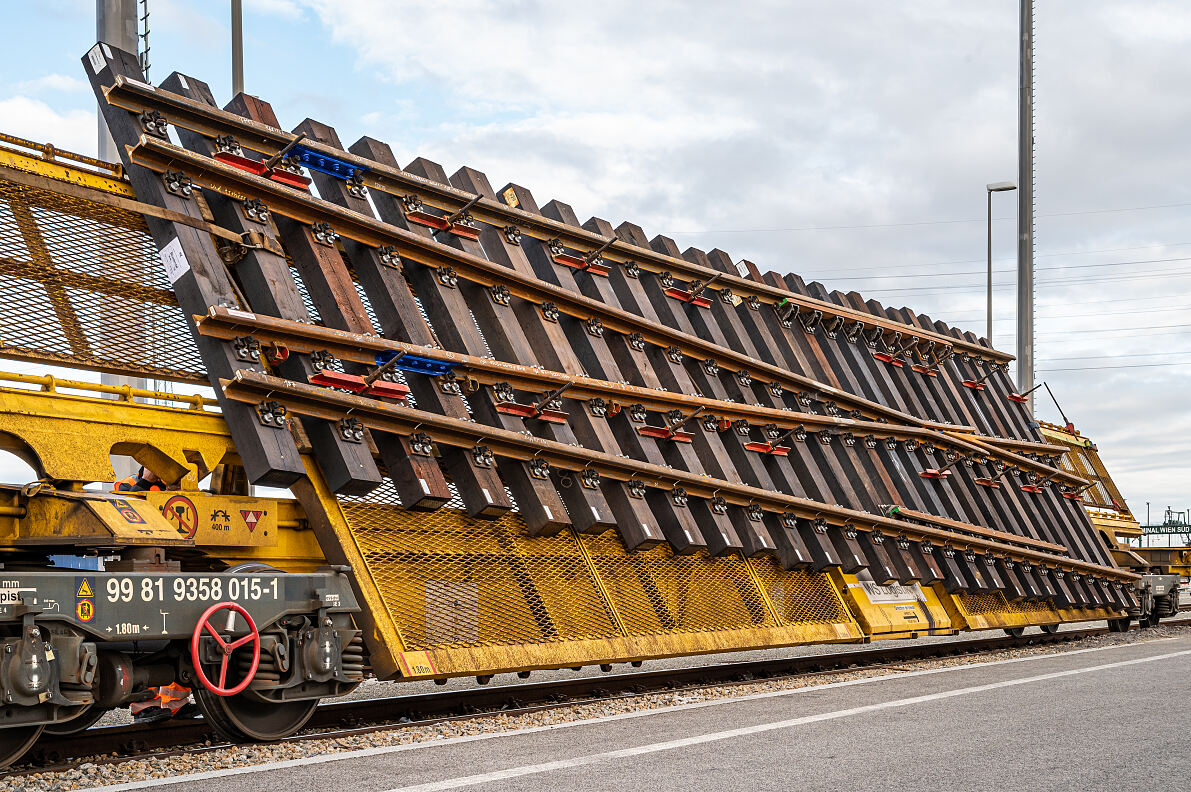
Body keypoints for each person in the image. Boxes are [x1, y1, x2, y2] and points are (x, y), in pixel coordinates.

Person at [114, 468, 199, 723]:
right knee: (146, 640)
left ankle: (175, 702)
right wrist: (145, 482)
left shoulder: (185, 485)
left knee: (184, 640)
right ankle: (143, 704)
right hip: (144, 572)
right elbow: (121, 513)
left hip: (179, 571)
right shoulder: (127, 484)